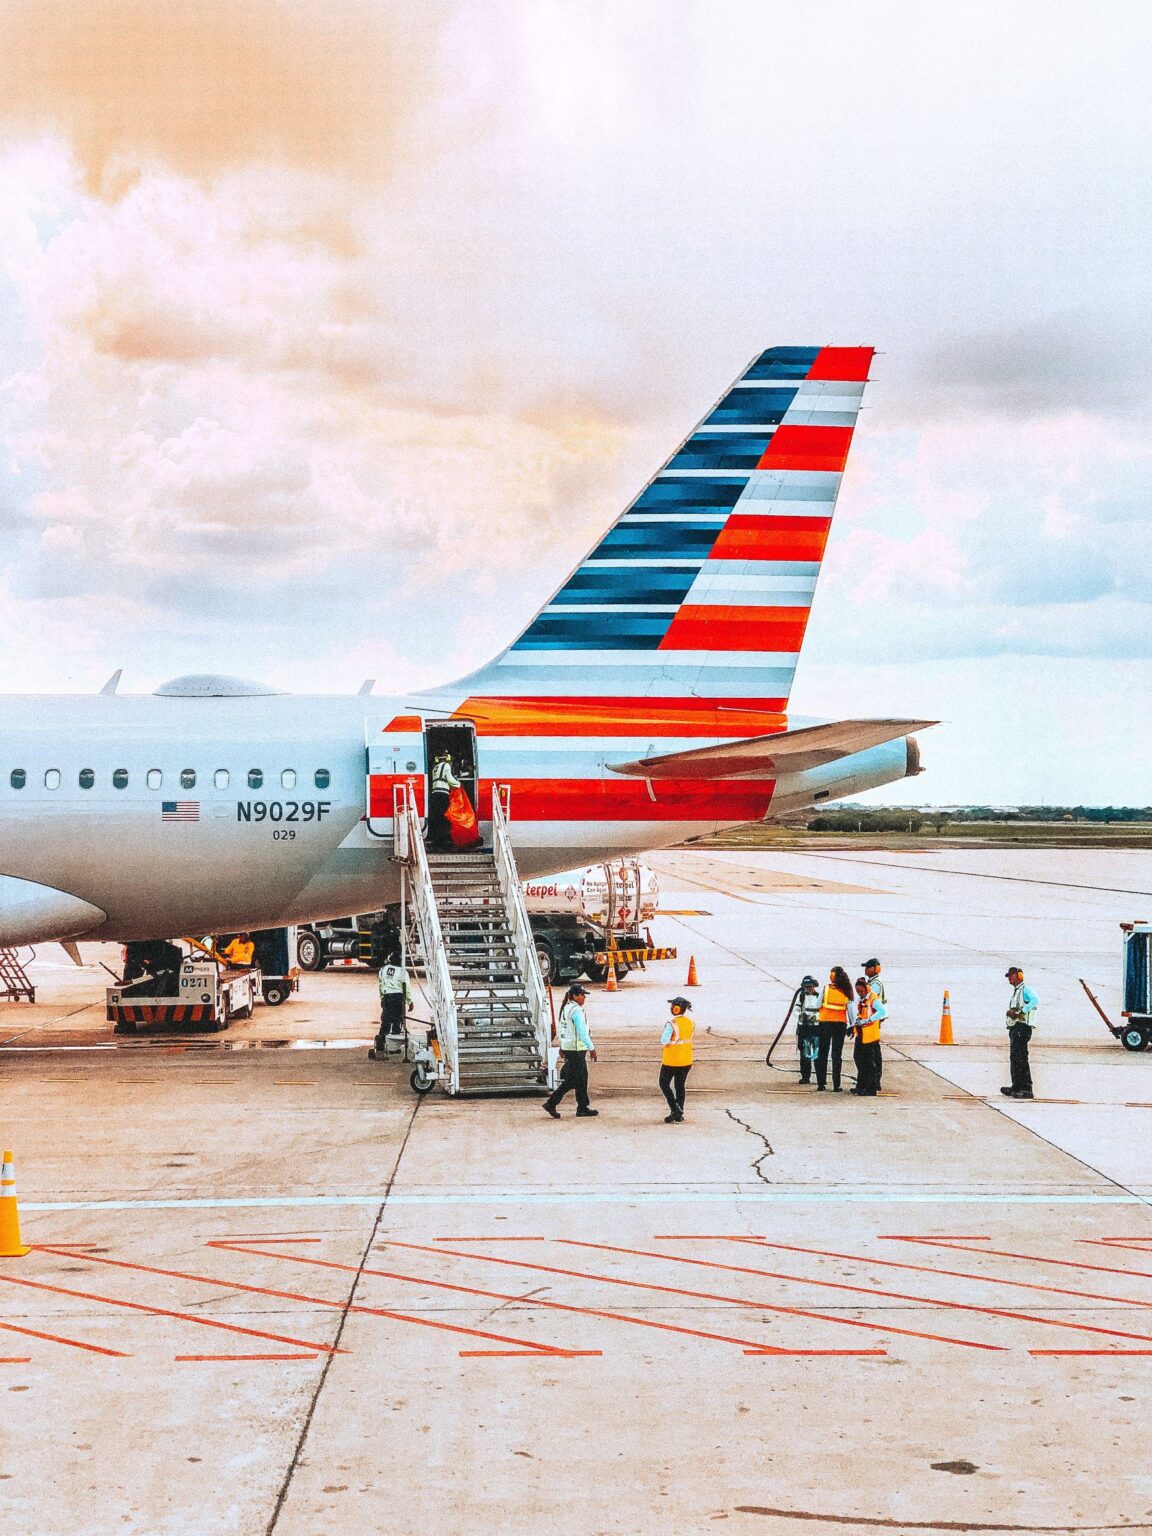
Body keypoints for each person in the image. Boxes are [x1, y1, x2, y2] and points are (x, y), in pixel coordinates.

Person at [543, 983, 598, 1118]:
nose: (584, 997)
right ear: (574, 996)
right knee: (573, 1080)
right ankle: (551, 1103)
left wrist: (562, 1046)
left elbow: (564, 1030)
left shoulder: (566, 1008)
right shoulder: (576, 1011)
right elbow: (582, 1032)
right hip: (576, 1050)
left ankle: (582, 1106)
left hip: (570, 1048)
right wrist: (591, 1048)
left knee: (582, 1077)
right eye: (581, 995)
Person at [1001, 965, 1039, 1100]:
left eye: (1011, 976)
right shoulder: (1017, 991)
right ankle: (1016, 1086)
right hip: (1015, 1027)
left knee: (1021, 1057)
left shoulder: (1026, 989)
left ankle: (1027, 1088)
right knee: (1015, 1057)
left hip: (1022, 1027)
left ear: (1018, 976)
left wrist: (1019, 1012)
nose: (1009, 978)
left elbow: (1035, 1000)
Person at [815, 966, 854, 1092]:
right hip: (840, 1025)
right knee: (836, 1056)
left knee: (822, 1054)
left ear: (832, 976)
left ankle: (821, 1084)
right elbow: (851, 1012)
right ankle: (836, 1085)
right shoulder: (846, 991)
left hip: (824, 1023)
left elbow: (817, 1005)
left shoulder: (825, 989)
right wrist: (852, 1027)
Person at [370, 952, 414, 1060]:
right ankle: (394, 1047)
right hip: (397, 997)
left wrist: (382, 998)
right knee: (396, 1021)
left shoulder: (383, 970)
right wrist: (410, 1001)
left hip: (387, 996)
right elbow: (406, 987)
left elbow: (381, 984)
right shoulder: (402, 972)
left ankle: (382, 1044)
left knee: (385, 1020)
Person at [659, 996, 695, 1122]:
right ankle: (679, 1113)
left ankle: (674, 1108)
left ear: (676, 1009)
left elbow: (664, 1040)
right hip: (686, 1059)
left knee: (663, 1083)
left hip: (672, 1060)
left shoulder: (672, 1024)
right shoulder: (690, 1022)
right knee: (680, 1086)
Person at [851, 976, 885, 1096]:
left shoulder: (873, 999)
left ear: (866, 989)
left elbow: (882, 1011)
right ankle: (861, 1085)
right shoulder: (862, 1000)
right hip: (861, 1034)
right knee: (858, 1058)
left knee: (869, 1062)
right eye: (858, 992)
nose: (859, 994)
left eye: (861, 991)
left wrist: (868, 1020)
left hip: (870, 1036)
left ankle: (871, 1088)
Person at [428, 752, 461, 851]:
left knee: (436, 818)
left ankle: (436, 840)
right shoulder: (446, 766)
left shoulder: (435, 767)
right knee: (444, 818)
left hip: (434, 794)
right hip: (443, 794)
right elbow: (450, 779)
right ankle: (442, 842)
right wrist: (459, 784)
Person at [862, 958, 886, 1091]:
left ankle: (875, 1080)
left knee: (873, 1052)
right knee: (872, 1051)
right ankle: (870, 1080)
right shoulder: (872, 982)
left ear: (874, 969)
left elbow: (871, 1000)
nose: (865, 969)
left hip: (873, 1020)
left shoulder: (875, 984)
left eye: (867, 967)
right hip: (872, 1019)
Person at [795, 975, 821, 1085]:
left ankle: (820, 1078)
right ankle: (805, 1077)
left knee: (817, 1054)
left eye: (810, 986)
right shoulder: (801, 997)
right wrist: (801, 1016)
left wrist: (815, 1018)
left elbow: (823, 1011)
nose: (809, 989)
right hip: (804, 1028)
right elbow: (796, 1010)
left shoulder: (820, 997)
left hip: (816, 1028)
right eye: (806, 987)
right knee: (805, 1054)